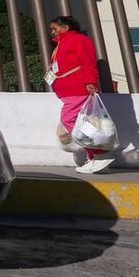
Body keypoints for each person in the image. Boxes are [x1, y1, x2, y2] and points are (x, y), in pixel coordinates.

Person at [47, 16, 113, 174]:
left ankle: (99, 155)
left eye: (54, 28)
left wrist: (90, 81)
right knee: (83, 123)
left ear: (66, 27)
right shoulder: (61, 44)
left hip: (76, 89)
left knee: (69, 119)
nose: (52, 31)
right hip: (69, 91)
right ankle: (96, 159)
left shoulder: (79, 40)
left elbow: (88, 61)